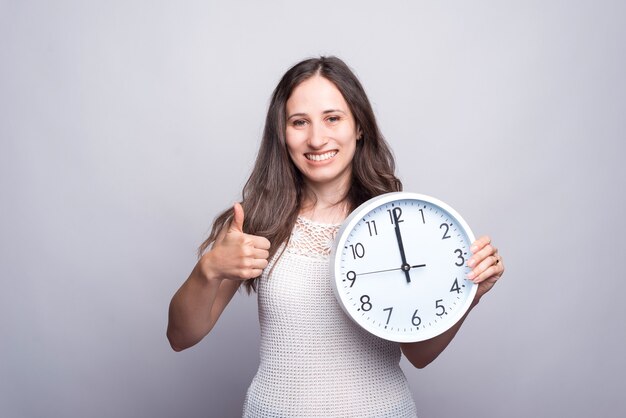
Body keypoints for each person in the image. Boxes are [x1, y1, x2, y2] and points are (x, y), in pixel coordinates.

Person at [167, 56, 505, 417]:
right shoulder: (254, 221)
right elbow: (181, 337)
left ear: (359, 126)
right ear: (282, 133)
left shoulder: (399, 223)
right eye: (299, 122)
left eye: (333, 118)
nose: (316, 138)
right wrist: (210, 269)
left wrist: (469, 294)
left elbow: (418, 355)